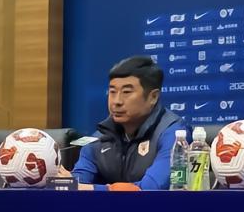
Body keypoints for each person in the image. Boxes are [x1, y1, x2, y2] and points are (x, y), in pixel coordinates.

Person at [64, 56, 187, 190]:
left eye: (126, 92)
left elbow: (151, 188)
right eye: (112, 92)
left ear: (153, 97)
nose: (116, 101)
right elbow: (77, 182)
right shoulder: (100, 139)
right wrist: (65, 180)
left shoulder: (174, 134)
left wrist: (91, 189)